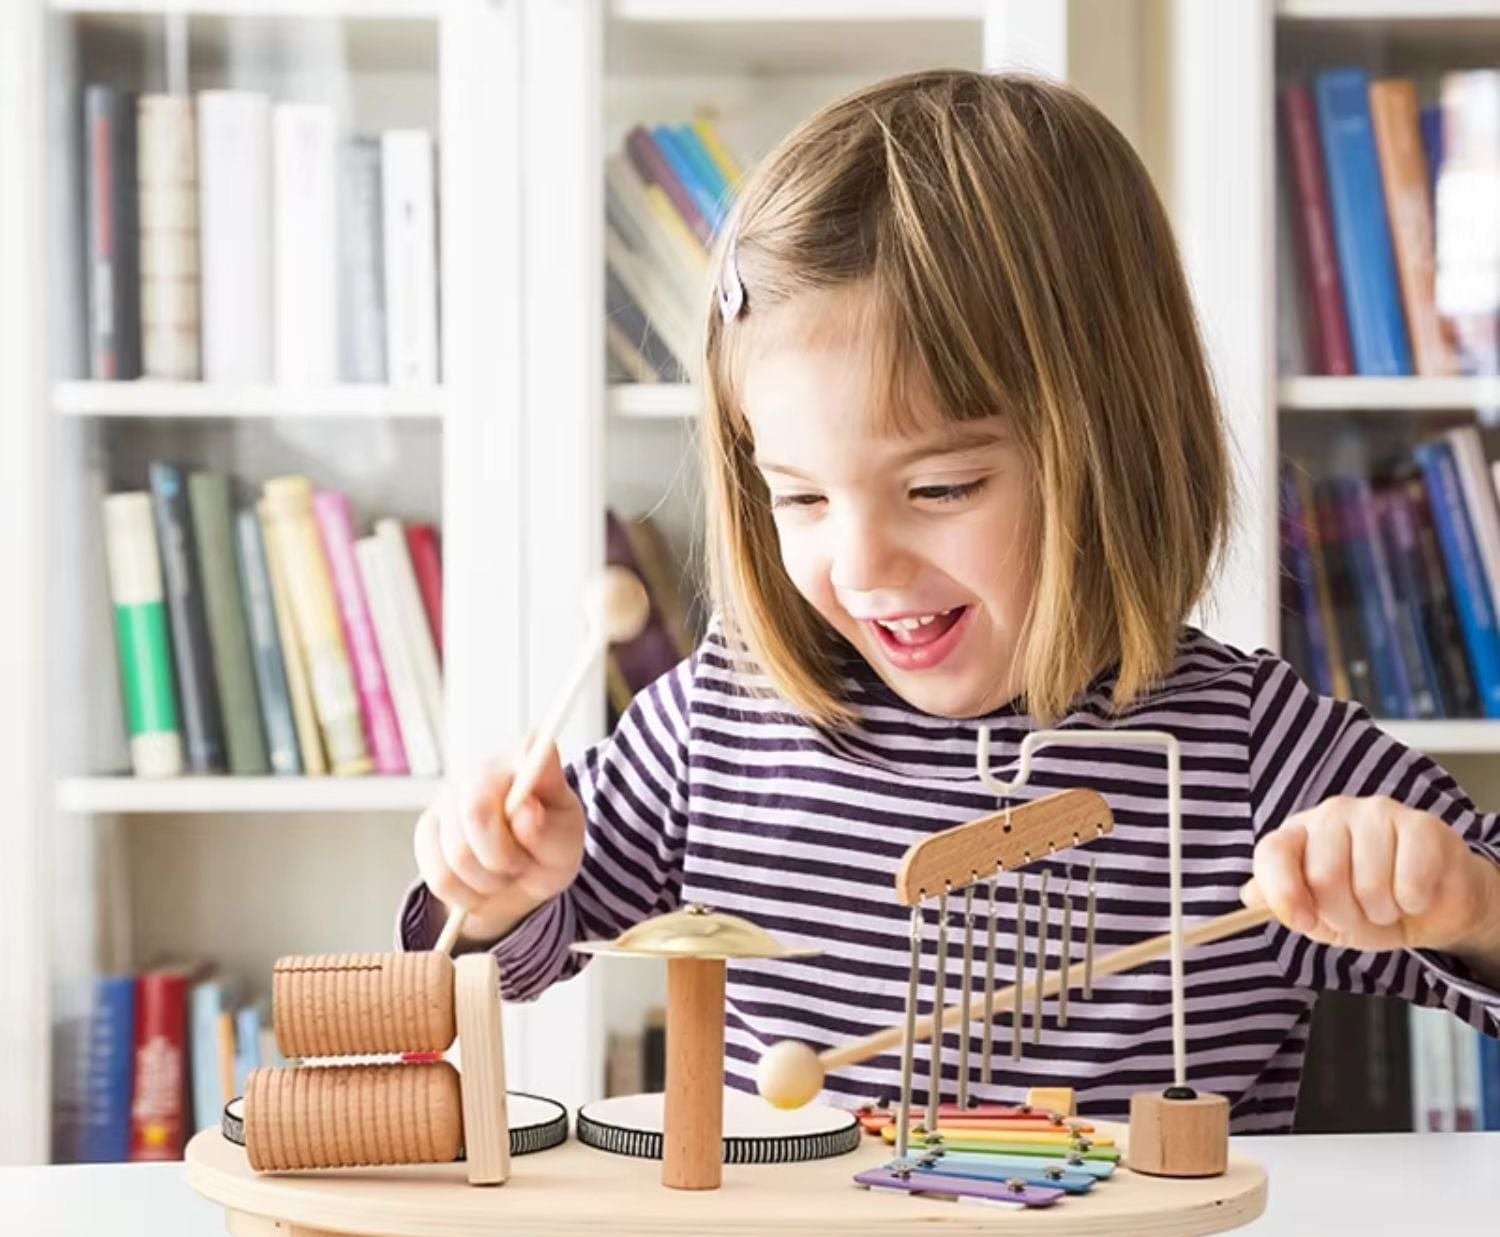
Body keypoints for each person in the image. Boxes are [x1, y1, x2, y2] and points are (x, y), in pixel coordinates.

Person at [400, 70, 1500, 1129]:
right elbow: (489, 967)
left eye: (941, 487)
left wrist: (1458, 904)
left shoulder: (1249, 757)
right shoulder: (719, 725)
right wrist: (495, 887)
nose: (864, 561)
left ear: (1109, 454)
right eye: (801, 496)